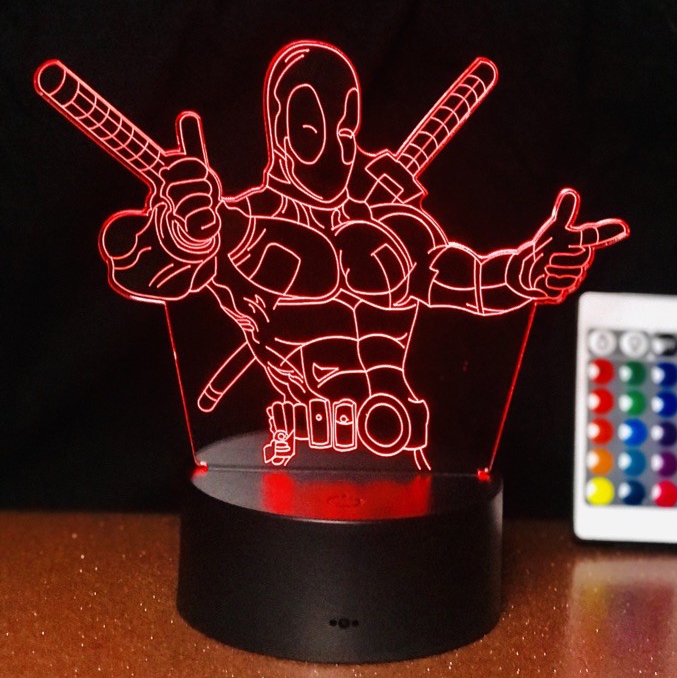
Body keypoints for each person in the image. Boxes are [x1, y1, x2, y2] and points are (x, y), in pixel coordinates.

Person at [99, 40, 628, 469]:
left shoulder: (393, 225)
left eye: (344, 125)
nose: (333, 144)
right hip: (291, 459)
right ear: (279, 128)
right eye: (310, 126)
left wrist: (528, 270)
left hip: (399, 447)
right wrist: (181, 230)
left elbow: (468, 279)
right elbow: (143, 263)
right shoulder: (238, 226)